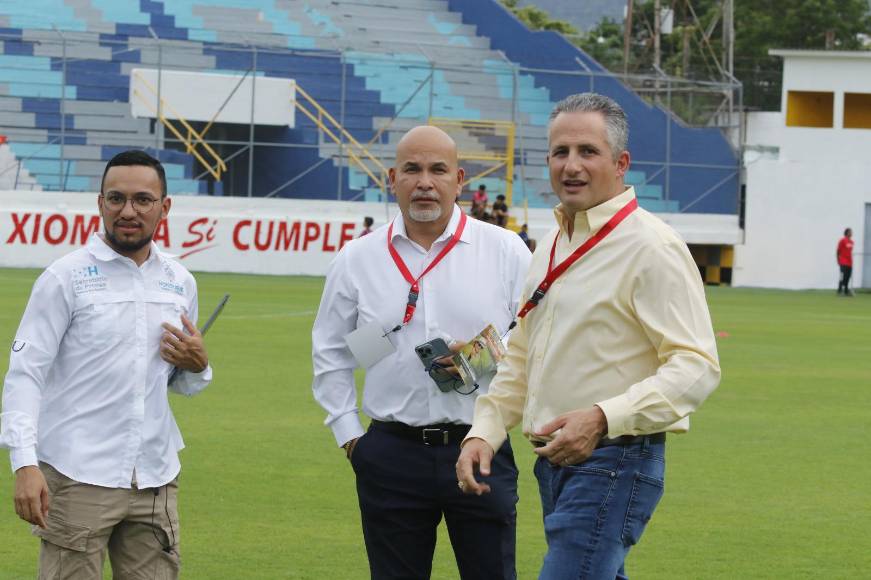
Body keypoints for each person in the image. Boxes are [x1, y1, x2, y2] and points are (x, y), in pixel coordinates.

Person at [456, 93, 721, 579]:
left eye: (587, 152)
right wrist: (485, 432)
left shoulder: (652, 247)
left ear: (621, 164)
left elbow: (697, 367)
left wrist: (602, 418)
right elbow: (521, 356)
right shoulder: (551, 244)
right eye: (560, 152)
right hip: (552, 462)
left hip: (616, 459)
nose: (571, 166)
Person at [312, 125, 531, 580]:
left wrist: (479, 357)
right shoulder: (357, 259)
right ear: (392, 178)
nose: (424, 182)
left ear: (460, 179)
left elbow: (535, 341)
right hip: (392, 453)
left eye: (438, 170)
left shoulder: (504, 250)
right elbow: (333, 355)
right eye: (412, 169)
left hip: (480, 444)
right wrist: (352, 439)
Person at [0, 150, 213, 579]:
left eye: (142, 200)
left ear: (164, 207)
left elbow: (175, 381)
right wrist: (24, 463)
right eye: (115, 198)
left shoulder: (179, 282)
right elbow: (25, 374)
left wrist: (197, 364)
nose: (128, 211)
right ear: (100, 203)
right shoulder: (65, 278)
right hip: (78, 475)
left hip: (154, 477)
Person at [837, 227, 854, 296]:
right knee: (842, 276)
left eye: (851, 232)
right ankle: (840, 290)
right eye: (850, 232)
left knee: (848, 276)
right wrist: (838, 260)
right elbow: (838, 251)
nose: (851, 233)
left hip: (850, 262)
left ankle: (846, 290)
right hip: (843, 262)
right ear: (846, 233)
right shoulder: (842, 240)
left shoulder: (852, 242)